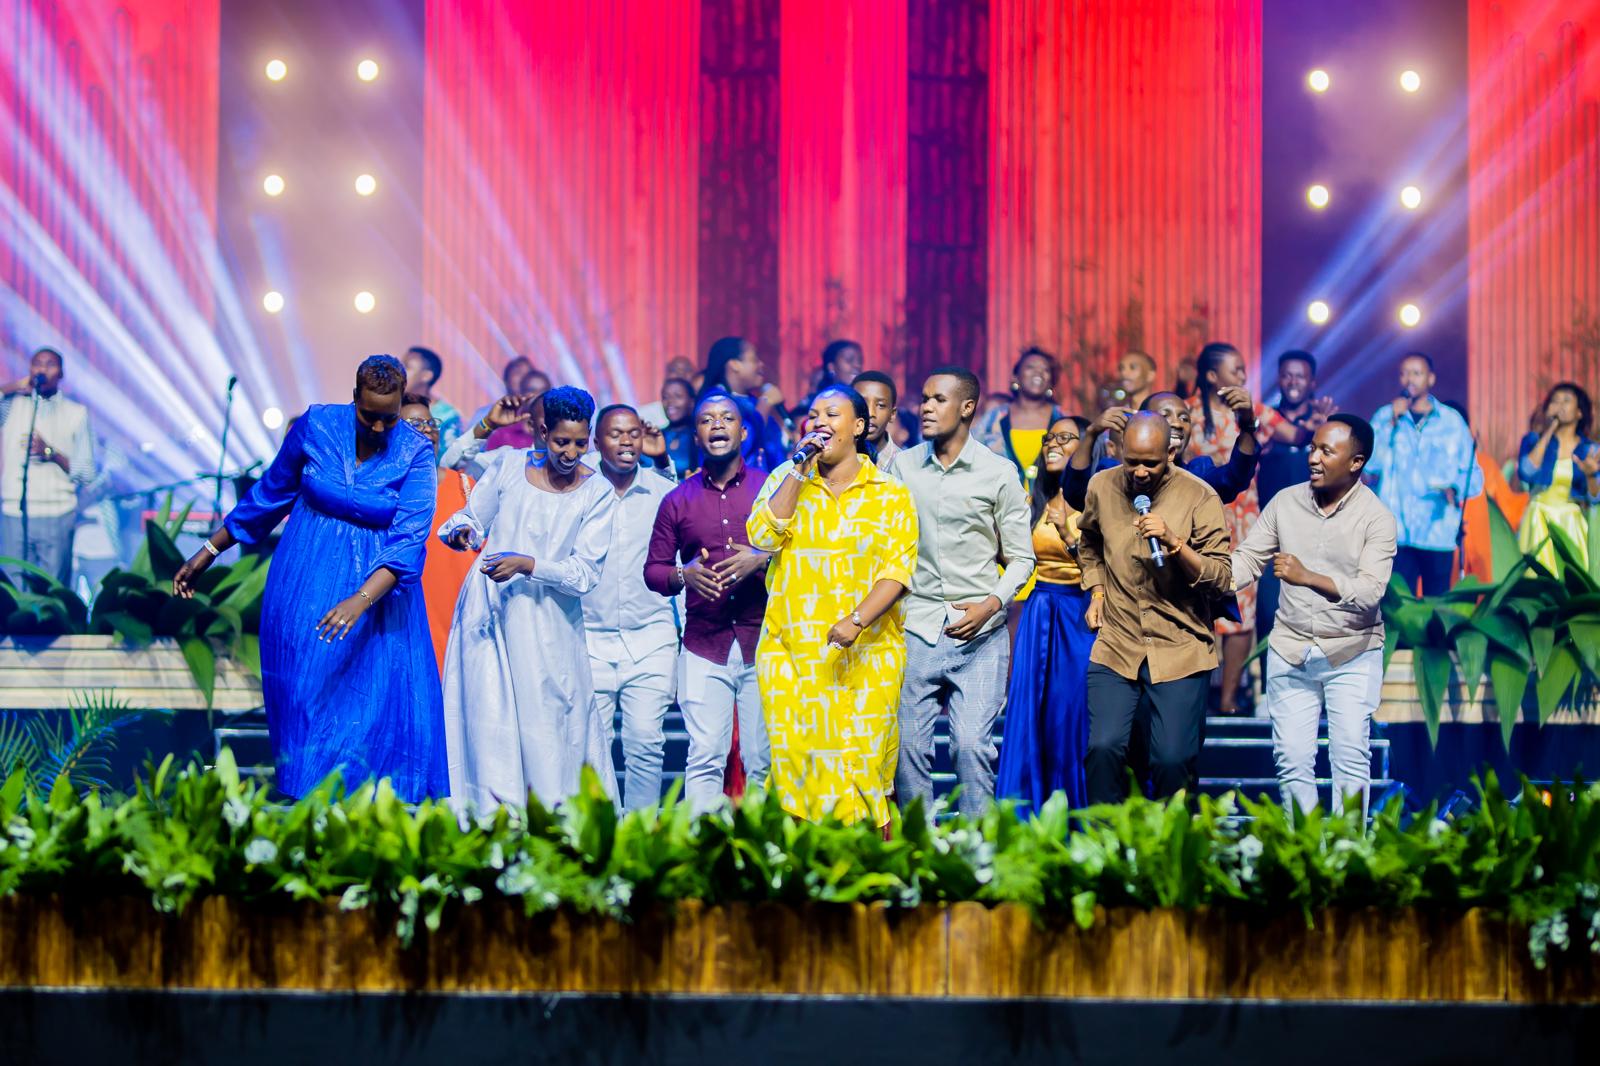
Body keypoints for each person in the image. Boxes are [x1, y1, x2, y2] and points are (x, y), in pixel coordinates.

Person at [172, 355, 446, 800]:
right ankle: (305, 808)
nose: (380, 427)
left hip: (378, 594)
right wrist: (209, 551)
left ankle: (364, 813)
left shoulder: (414, 452)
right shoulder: (317, 425)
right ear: (354, 398)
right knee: (304, 695)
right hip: (304, 580)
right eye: (369, 416)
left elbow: (409, 540)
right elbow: (270, 494)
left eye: (390, 418)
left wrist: (360, 599)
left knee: (367, 707)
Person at [437, 386, 619, 810]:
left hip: (550, 621)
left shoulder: (597, 491)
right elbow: (471, 518)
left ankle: (554, 820)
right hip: (491, 610)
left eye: (580, 443)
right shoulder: (508, 465)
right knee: (489, 716)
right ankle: (491, 819)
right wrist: (464, 531)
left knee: (551, 721)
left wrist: (528, 564)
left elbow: (584, 573)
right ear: (542, 432)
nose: (571, 453)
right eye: (561, 441)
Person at [746, 384, 918, 825]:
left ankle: (867, 863)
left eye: (832, 413)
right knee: (797, 769)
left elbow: (897, 572)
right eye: (814, 414)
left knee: (864, 766)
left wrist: (856, 621)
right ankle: (799, 865)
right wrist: (798, 470)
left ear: (859, 426)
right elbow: (762, 536)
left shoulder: (890, 493)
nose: (820, 422)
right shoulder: (787, 478)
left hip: (868, 656)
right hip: (793, 656)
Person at [887, 367, 1035, 819]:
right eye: (924, 399)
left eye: (939, 399)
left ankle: (977, 847)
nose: (926, 408)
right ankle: (921, 846)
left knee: (971, 747)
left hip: (980, 634)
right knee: (907, 750)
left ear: (967, 407)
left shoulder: (998, 472)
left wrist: (991, 605)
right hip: (916, 625)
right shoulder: (904, 466)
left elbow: (1022, 558)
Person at [1231, 415, 1396, 817]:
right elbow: (1247, 560)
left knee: (1350, 758)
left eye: (1326, 451)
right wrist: (1200, 575)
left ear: (1356, 462)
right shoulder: (1285, 502)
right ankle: (1304, 847)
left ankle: (1345, 849)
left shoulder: (1377, 518)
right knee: (1291, 760)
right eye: (1312, 448)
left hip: (1351, 652)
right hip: (1291, 648)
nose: (1313, 458)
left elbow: (1370, 593)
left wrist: (1308, 577)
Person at [1078, 412, 1233, 804]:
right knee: (1103, 749)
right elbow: (1089, 542)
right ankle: (1105, 841)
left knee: (1172, 760)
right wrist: (1097, 591)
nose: (1140, 472)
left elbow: (1220, 577)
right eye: (1132, 461)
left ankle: (1172, 840)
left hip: (1180, 647)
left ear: (1171, 453)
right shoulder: (1101, 486)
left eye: (1151, 463)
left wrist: (1175, 543)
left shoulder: (1199, 496)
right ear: (1119, 452)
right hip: (1117, 644)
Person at [644, 389, 773, 812]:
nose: (717, 424)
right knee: (704, 758)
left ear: (743, 431)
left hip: (764, 641)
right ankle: (702, 844)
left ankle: (761, 845)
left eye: (727, 418)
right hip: (703, 644)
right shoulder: (676, 500)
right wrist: (684, 575)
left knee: (762, 760)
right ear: (696, 435)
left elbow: (804, 551)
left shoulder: (770, 488)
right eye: (707, 419)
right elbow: (654, 571)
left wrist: (762, 559)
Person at [995, 414, 1096, 813]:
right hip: (1041, 611)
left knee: (1069, 712)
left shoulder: (1099, 499)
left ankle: (1074, 811)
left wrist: (1070, 537)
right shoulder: (1033, 499)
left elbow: (1104, 568)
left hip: (1082, 614)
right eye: (1049, 438)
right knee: (1033, 710)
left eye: (1066, 438)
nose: (1053, 444)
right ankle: (1029, 810)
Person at [579, 405, 679, 811]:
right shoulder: (578, 486)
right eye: (615, 434)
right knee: (592, 747)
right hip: (587, 636)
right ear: (596, 441)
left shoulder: (661, 490)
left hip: (650, 635)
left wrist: (663, 459)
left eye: (633, 433)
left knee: (646, 743)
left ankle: (641, 833)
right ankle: (599, 835)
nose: (626, 441)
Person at [1186, 342, 1293, 714]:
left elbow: (1294, 435)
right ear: (1211, 375)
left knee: (1241, 608)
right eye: (1235, 369)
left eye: (1244, 369)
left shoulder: (1254, 411)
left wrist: (1315, 418)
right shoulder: (1186, 413)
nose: (1243, 376)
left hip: (1243, 520)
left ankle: (1229, 700)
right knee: (1195, 603)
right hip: (1195, 519)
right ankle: (1194, 697)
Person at [1367, 352, 1483, 595]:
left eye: (1417, 373)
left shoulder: (1451, 422)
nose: (1410, 379)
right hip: (1396, 533)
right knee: (1399, 605)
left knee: (1436, 604)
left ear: (1431, 378)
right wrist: (1390, 424)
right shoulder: (1384, 417)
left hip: (1437, 531)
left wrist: (1455, 488)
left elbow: (1473, 475)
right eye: (1405, 373)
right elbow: (1370, 465)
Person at [1063, 390, 1257, 512]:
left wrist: (1247, 425)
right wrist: (1091, 433)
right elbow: (1076, 494)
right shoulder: (1112, 476)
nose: (1177, 424)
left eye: (1184, 418)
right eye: (1165, 415)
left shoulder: (1197, 474)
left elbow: (1235, 478)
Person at [1256, 351, 1337, 638]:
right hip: (1271, 531)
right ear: (1279, 379)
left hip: (1314, 530)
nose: (1293, 381)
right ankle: (1267, 669)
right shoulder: (1265, 422)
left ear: (1312, 382)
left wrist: (1325, 433)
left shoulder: (1325, 422)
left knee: (1312, 612)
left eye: (1300, 376)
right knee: (1268, 612)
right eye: (1287, 375)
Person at [399, 394, 481, 674]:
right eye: (415, 424)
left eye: (430, 423)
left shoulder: (464, 486)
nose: (427, 430)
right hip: (409, 618)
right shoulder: (387, 492)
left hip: (461, 620)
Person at [2, 347, 94, 584]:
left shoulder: (76, 413)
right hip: (14, 511)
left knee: (52, 588)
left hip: (56, 513)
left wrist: (50, 452)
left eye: (50, 364)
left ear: (61, 373)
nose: (42, 369)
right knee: (14, 587)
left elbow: (86, 472)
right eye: (37, 364)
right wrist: (14, 386)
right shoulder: (11, 406)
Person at [1517, 383, 1600, 573]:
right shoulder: (1533, 440)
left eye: (1566, 401)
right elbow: (1526, 472)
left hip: (1570, 521)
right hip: (1538, 518)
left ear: (1579, 412)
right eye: (1555, 401)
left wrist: (1590, 475)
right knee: (1536, 577)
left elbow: (1595, 497)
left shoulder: (1590, 449)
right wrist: (1549, 429)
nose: (1559, 405)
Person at [974, 347, 1066, 488]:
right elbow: (968, 452)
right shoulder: (994, 418)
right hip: (1001, 501)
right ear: (1015, 377)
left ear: (1050, 382)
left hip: (1051, 501)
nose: (1038, 372)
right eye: (1030, 367)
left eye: (1046, 369)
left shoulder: (1063, 420)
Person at [700, 336, 788, 471]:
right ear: (734, 365)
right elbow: (739, 446)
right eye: (754, 360)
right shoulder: (714, 402)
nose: (761, 365)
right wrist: (764, 406)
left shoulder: (752, 402)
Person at [401, 346, 464, 452]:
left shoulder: (447, 415)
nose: (399, 371)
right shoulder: (392, 405)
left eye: (406, 367)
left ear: (426, 376)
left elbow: (451, 456)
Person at [852, 370, 902, 467]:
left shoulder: (904, 465)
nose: (870, 413)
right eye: (862, 403)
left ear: (892, 414)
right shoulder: (833, 459)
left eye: (881, 405)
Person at [657, 377, 696, 479]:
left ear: (692, 402)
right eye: (665, 397)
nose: (670, 402)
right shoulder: (656, 436)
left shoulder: (699, 437)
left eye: (678, 396)